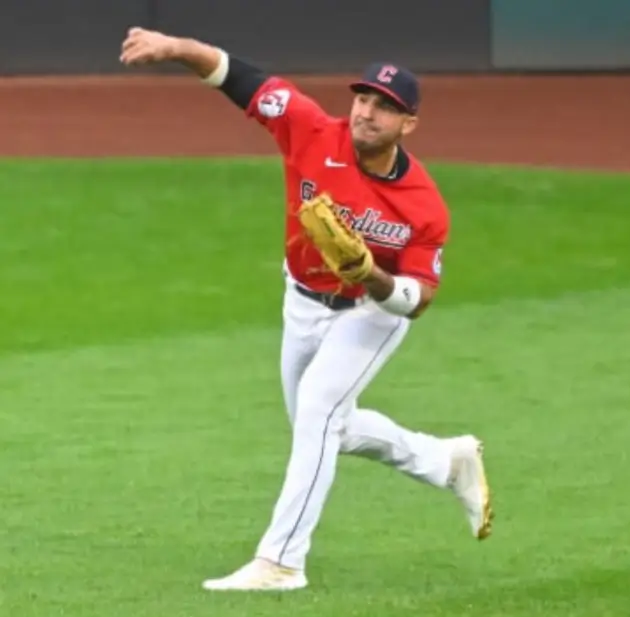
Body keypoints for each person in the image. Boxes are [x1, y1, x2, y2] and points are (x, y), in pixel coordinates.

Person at [120, 27, 493, 592]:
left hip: (371, 313)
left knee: (319, 409)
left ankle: (282, 561)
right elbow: (236, 76)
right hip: (301, 299)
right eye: (364, 98)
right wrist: (174, 48)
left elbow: (418, 298)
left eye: (385, 108)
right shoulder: (311, 128)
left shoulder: (424, 206)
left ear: (407, 125)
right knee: (323, 430)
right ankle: (445, 461)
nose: (367, 112)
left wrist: (372, 277)